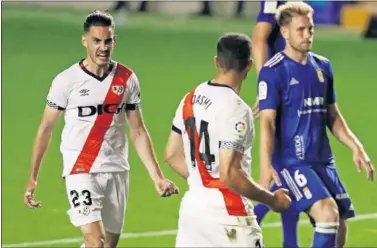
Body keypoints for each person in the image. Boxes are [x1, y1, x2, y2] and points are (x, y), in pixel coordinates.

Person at [23, 10, 178, 248]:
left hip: (117, 168)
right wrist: (33, 177)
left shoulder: (126, 78)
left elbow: (137, 131)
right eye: (97, 41)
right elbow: (46, 129)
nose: (103, 47)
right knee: (96, 242)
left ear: (114, 40)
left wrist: (157, 177)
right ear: (85, 40)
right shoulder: (66, 81)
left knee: (107, 246)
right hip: (80, 168)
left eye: (108, 41)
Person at [258, 2, 374, 248]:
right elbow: (267, 122)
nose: (308, 35)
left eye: (310, 29)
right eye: (301, 30)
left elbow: (332, 115)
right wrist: (266, 166)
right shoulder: (273, 71)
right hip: (293, 161)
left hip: (323, 159)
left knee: (339, 228)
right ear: (285, 32)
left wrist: (356, 146)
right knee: (327, 214)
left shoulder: (322, 66)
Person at [164, 33, 291, 247]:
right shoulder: (236, 109)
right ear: (249, 66)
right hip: (229, 215)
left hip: (193, 210)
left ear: (217, 61)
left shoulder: (190, 98)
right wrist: (272, 200)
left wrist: (202, 180)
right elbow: (230, 173)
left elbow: (171, 154)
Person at [251, 1, 302, 247]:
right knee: (291, 165)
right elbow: (259, 38)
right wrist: (266, 83)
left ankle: (288, 241)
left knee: (291, 166)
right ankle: (251, 221)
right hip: (281, 88)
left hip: (295, 85)